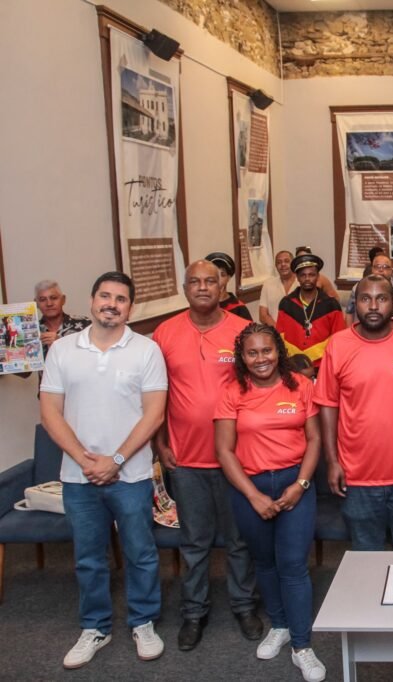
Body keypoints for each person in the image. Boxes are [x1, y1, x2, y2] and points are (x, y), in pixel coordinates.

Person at [39, 271, 167, 669]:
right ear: (92, 300)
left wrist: (115, 460)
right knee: (88, 558)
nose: (111, 304)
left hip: (131, 475)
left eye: (120, 299)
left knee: (141, 553)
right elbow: (50, 412)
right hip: (79, 477)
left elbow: (154, 414)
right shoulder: (63, 350)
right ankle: (95, 627)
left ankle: (143, 621)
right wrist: (84, 459)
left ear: (130, 307)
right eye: (105, 296)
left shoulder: (146, 350)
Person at [153, 260, 262, 652]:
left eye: (210, 281)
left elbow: (260, 389)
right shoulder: (164, 334)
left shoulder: (241, 331)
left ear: (222, 286)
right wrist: (160, 443)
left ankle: (244, 605)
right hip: (185, 460)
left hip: (236, 458)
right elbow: (156, 395)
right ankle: (194, 612)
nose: (202, 287)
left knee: (239, 541)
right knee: (194, 543)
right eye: (195, 281)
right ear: (185, 288)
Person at [214, 323, 326, 682]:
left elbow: (314, 439)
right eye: (252, 353)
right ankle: (279, 626)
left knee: (292, 565)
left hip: (295, 483)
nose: (261, 358)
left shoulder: (302, 386)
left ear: (278, 351)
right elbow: (224, 450)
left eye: (267, 350)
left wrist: (301, 485)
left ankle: (302, 645)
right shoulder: (232, 391)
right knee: (264, 561)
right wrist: (253, 495)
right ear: (242, 357)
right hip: (250, 486)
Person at [315, 275, 393, 551]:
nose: (372, 306)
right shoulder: (338, 344)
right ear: (355, 303)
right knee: (366, 560)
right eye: (365, 299)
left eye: (381, 299)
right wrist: (332, 461)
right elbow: (328, 406)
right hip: (357, 477)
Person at [276, 252, 346, 370]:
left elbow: (339, 338)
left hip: (323, 364)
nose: (307, 279)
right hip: (293, 365)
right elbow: (279, 337)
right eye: (303, 275)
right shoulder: (286, 304)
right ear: (297, 277)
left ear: (318, 276)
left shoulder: (331, 305)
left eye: (311, 275)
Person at [33, 279, 89, 356]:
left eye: (53, 298)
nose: (49, 303)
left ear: (63, 300)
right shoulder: (32, 331)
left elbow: (94, 356)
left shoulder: (85, 324)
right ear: (36, 303)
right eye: (43, 300)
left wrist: (60, 343)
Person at [206, 252, 253, 321]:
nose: (217, 279)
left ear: (228, 278)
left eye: (222, 274)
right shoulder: (202, 306)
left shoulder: (239, 309)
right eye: (213, 274)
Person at [259, 250, 297, 326]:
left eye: (287, 261)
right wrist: (278, 330)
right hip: (275, 330)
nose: (283, 264)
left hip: (300, 331)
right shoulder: (268, 285)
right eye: (279, 262)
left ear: (293, 264)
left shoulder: (301, 284)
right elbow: (263, 315)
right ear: (276, 266)